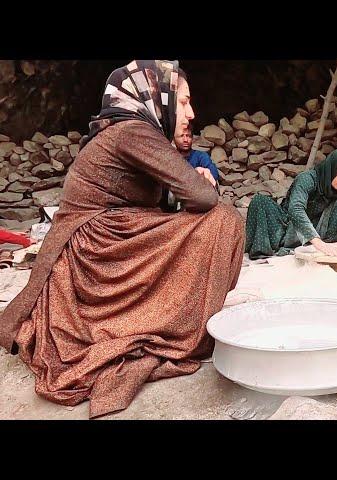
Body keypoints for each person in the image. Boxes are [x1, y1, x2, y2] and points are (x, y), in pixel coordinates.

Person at [0, 60, 245, 418]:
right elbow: (204, 198)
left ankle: (158, 318)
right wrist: (196, 179)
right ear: (157, 97)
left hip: (95, 250)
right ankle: (175, 328)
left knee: (198, 221)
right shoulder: (133, 131)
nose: (192, 113)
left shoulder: (123, 132)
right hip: (92, 256)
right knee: (224, 219)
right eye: (183, 101)